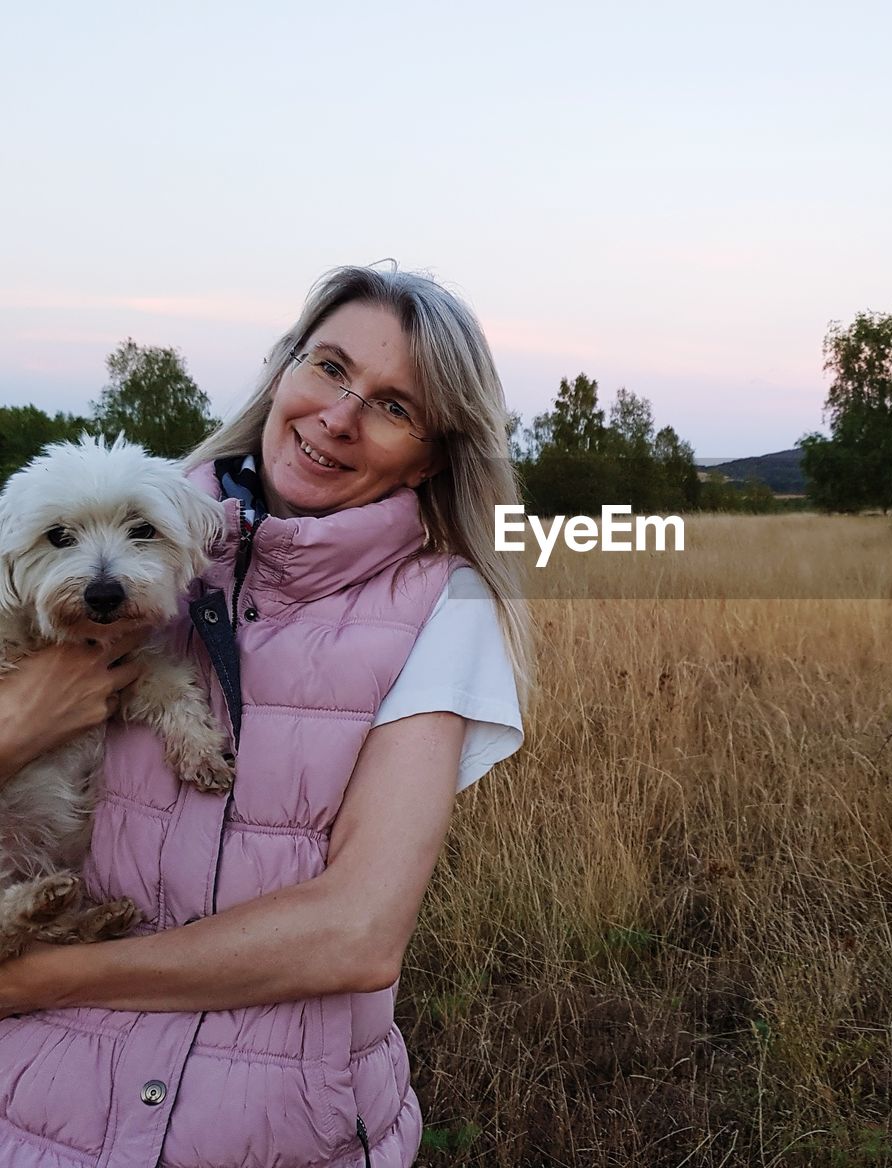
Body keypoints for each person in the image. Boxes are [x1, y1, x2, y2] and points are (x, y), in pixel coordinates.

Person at [0, 266, 530, 1167]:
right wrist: (16, 725)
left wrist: (38, 981)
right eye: (328, 366)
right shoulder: (140, 534)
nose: (339, 416)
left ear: (434, 454)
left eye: (396, 407)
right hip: (32, 1119)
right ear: (284, 368)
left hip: (276, 1133)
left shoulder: (444, 610)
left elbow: (356, 934)